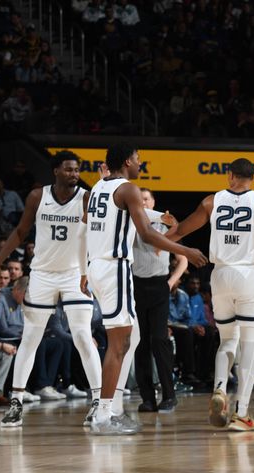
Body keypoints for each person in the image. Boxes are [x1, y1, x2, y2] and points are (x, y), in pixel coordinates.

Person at [166, 158, 254, 431]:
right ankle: (241, 414)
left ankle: (219, 388)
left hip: (220, 275)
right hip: (248, 275)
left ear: (230, 176)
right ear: (253, 178)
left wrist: (162, 236)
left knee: (227, 340)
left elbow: (181, 231)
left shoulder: (211, 201)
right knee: (250, 346)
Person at [86, 143, 207, 435]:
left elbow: (110, 218)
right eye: (139, 159)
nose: (141, 163)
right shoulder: (128, 189)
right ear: (127, 160)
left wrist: (154, 217)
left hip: (96, 267)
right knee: (119, 344)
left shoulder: (97, 188)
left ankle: (104, 408)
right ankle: (103, 414)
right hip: (115, 268)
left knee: (126, 341)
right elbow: (146, 234)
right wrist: (185, 250)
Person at [0, 151, 104, 427]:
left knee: (82, 336)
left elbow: (101, 231)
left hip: (74, 275)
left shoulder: (87, 198)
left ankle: (98, 402)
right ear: (56, 170)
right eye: (68, 169)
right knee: (30, 338)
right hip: (42, 275)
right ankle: (16, 402)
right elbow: (20, 232)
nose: (74, 174)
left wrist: (91, 271)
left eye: (77, 170)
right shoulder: (36, 196)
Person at [131, 188, 187, 413]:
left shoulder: (167, 225)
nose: (143, 203)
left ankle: (169, 395)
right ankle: (147, 398)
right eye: (139, 200)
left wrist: (171, 281)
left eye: (146, 199)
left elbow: (182, 259)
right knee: (140, 343)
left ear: (153, 202)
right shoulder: (131, 223)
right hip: (136, 285)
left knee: (159, 340)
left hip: (159, 286)